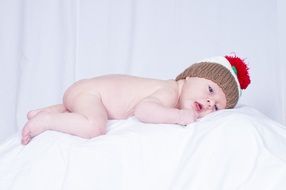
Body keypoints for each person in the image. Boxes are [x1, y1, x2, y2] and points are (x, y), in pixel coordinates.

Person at [21, 55, 251, 145]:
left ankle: (48, 111)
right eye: (210, 90)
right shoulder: (169, 91)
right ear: (189, 76)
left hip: (86, 93)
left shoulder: (171, 90)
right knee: (94, 126)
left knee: (83, 110)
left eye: (218, 106)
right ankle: (47, 121)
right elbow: (144, 110)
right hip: (91, 94)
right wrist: (179, 116)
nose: (210, 103)